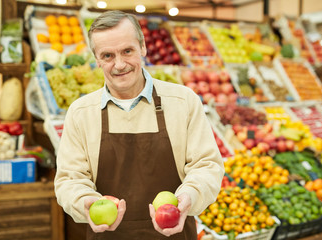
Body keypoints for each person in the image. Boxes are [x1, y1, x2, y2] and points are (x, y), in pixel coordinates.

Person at [54, 10, 224, 240]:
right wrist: (85, 201)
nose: (119, 64)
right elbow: (69, 179)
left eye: (127, 51)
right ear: (96, 59)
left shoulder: (183, 101)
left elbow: (207, 165)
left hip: (173, 233)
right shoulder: (80, 113)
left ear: (143, 47)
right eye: (107, 56)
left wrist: (189, 197)